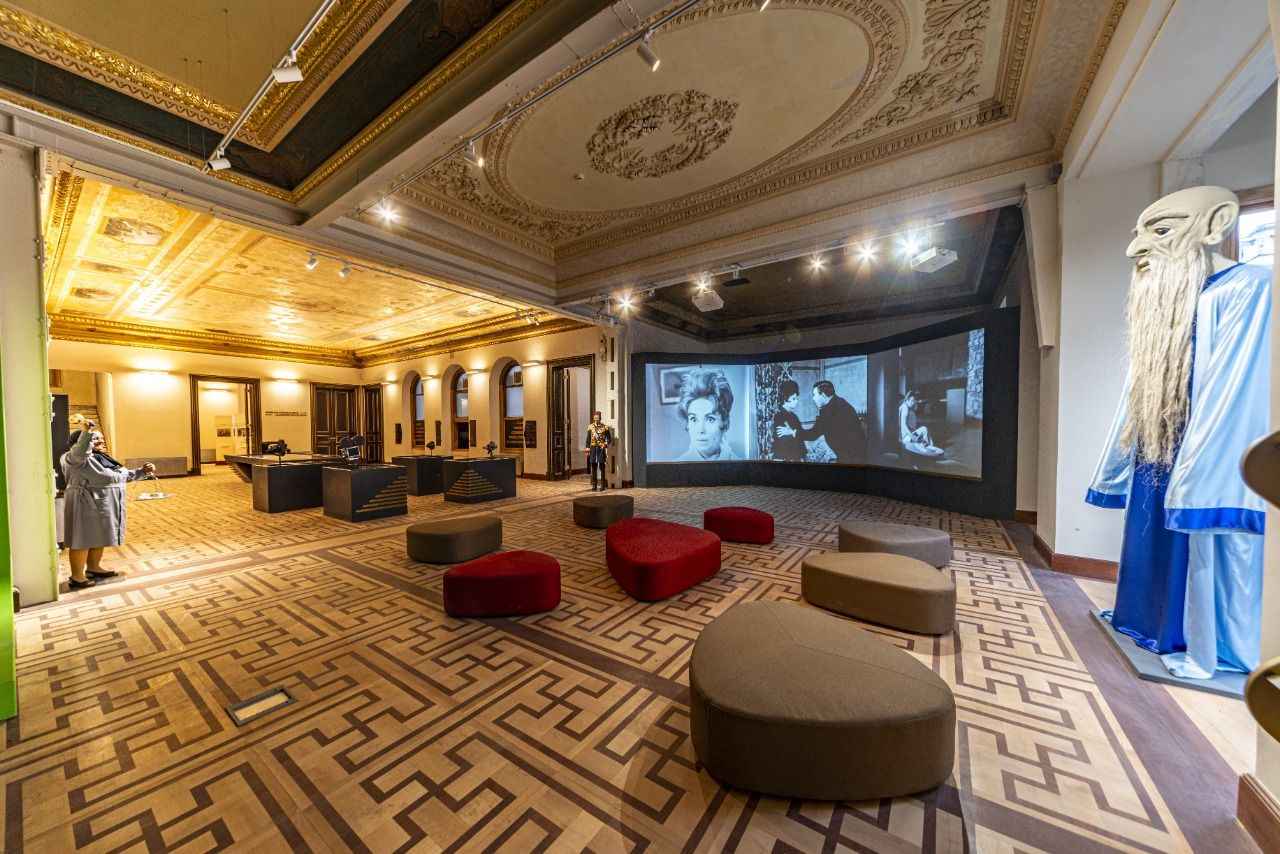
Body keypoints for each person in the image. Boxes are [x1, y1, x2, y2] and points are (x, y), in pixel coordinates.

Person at [1087, 185, 1269, 679]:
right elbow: (1138, 390)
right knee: (1148, 541)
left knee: (1202, 549)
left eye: (1160, 230)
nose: (1135, 249)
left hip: (1207, 452)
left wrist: (1197, 469)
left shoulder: (1250, 287)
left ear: (1216, 224)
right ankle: (1141, 620)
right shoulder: (1165, 305)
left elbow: (1236, 391)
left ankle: (1205, 645)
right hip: (1157, 447)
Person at [60, 421, 154, 589]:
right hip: (84, 504)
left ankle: (94, 568)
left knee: (99, 536)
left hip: (104, 504)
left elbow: (120, 476)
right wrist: (87, 432)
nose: (101, 441)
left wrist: (142, 472)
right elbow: (81, 451)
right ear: (80, 441)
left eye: (101, 438)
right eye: (95, 438)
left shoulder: (103, 458)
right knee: (82, 539)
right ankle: (77, 577)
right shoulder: (74, 458)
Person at [775, 380, 866, 463]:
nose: (813, 398)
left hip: (852, 456)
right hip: (850, 453)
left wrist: (792, 432)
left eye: (814, 395)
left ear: (823, 395)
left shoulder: (831, 410)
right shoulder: (838, 403)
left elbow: (813, 434)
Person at [676, 369, 739, 461]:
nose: (701, 430)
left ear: (725, 423)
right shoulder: (675, 466)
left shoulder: (741, 464)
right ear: (688, 425)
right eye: (694, 419)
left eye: (710, 419)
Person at [899, 390, 943, 457]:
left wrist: (914, 432)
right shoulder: (905, 408)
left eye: (914, 401)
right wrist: (912, 436)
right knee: (924, 429)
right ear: (907, 399)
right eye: (912, 400)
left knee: (924, 432)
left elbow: (906, 425)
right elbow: (903, 425)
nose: (913, 403)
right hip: (906, 438)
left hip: (906, 436)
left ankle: (928, 447)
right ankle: (927, 448)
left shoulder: (905, 407)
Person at [770, 379, 805, 461]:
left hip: (794, 456)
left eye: (797, 398)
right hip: (785, 458)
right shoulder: (779, 416)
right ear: (785, 398)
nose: (797, 401)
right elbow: (782, 442)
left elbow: (800, 437)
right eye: (793, 399)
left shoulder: (794, 416)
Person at [584, 411, 612, 491]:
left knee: (602, 467)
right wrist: (587, 448)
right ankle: (594, 485)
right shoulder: (590, 427)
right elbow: (588, 439)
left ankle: (602, 485)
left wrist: (605, 444)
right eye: (595, 417)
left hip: (601, 448)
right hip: (593, 448)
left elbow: (609, 439)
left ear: (600, 418)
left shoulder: (605, 427)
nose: (596, 419)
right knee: (593, 468)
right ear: (594, 418)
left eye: (598, 417)